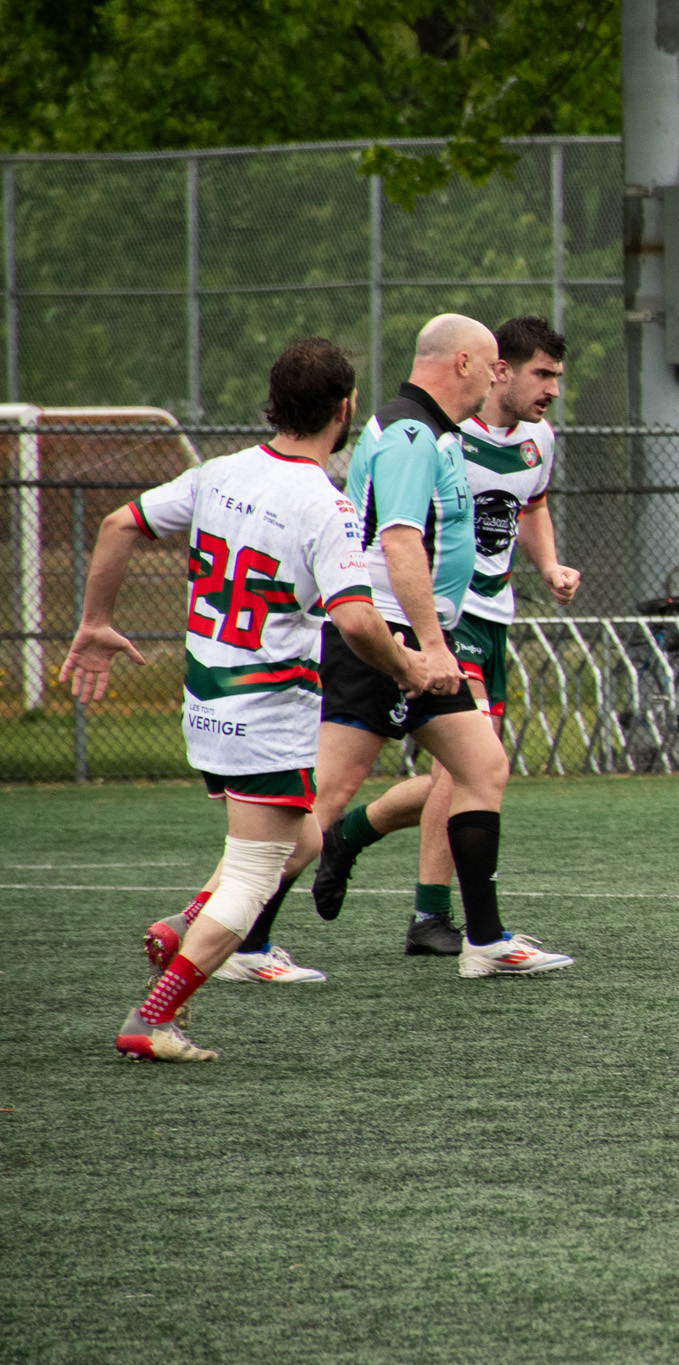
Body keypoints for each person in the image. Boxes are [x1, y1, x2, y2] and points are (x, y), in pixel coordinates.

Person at [61, 337, 437, 1061]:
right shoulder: (324, 503)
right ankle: (154, 1017)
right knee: (254, 876)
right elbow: (357, 619)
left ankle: (183, 924)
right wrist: (409, 667)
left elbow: (118, 525)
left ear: (274, 402)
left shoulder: (220, 473)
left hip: (205, 700)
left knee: (305, 838)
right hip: (265, 712)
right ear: (343, 408)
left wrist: (96, 622)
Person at [303, 314, 573, 978]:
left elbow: (529, 509)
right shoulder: (423, 434)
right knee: (391, 781)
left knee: (472, 769)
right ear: (484, 368)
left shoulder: (530, 440)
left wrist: (548, 566)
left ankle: (469, 929)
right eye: (539, 373)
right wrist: (430, 639)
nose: (550, 390)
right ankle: (425, 914)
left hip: (471, 624)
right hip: (408, 629)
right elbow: (396, 535)